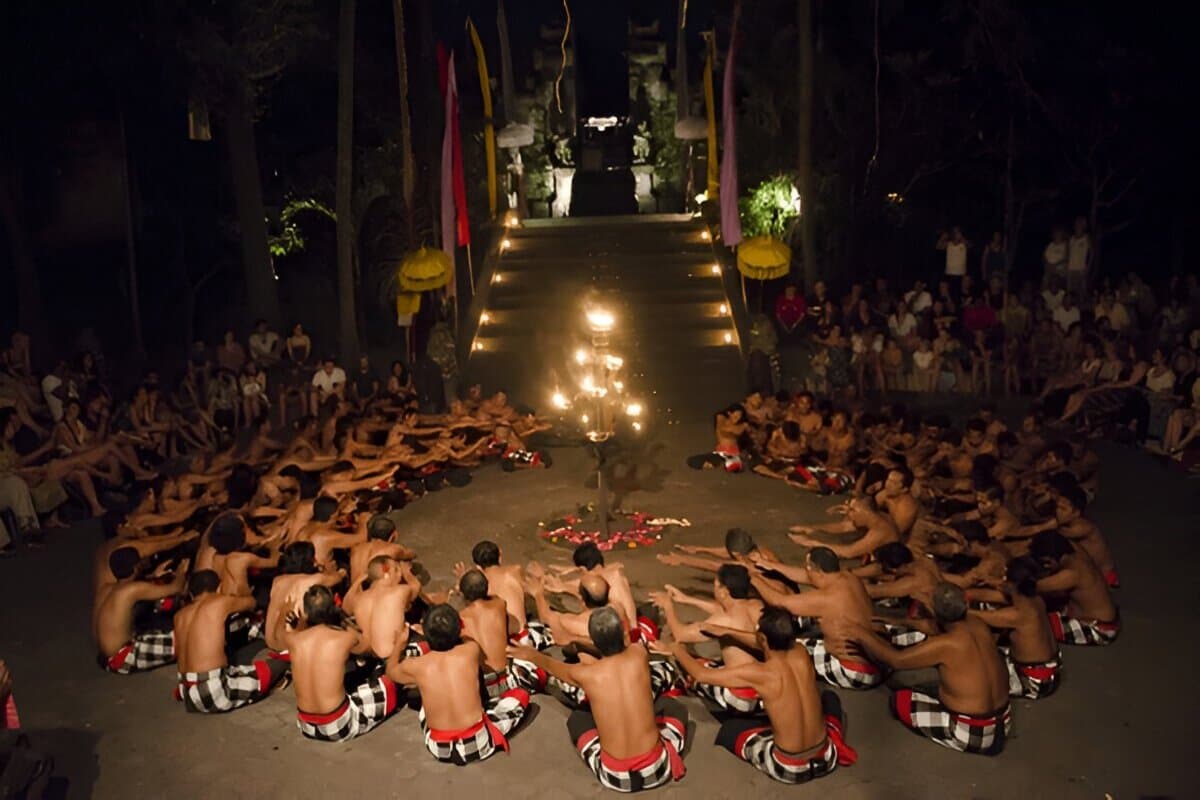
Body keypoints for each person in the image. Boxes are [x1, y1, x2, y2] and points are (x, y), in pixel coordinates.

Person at [509, 607, 689, 793]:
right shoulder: (639, 653)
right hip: (657, 769)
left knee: (578, 718)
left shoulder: (585, 674)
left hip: (615, 776)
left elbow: (550, 665)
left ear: (595, 642)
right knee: (672, 707)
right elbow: (623, 644)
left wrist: (532, 655)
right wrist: (581, 640)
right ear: (623, 634)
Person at [671, 607, 857, 784]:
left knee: (730, 729)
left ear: (763, 638)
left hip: (789, 766)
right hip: (826, 757)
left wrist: (676, 649)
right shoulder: (801, 653)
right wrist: (727, 631)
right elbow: (763, 642)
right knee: (829, 699)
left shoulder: (761, 673)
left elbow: (702, 675)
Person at [851, 583, 1013, 756]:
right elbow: (934, 627)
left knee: (901, 700)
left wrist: (861, 634)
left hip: (972, 732)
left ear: (935, 613)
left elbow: (896, 660)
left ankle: (955, 733)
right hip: (1003, 722)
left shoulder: (946, 645)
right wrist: (898, 621)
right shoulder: (978, 625)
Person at [387, 604, 529, 765]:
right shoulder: (470, 651)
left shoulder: (416, 666)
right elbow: (468, 638)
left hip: (439, 748)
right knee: (521, 695)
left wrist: (399, 644)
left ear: (425, 634)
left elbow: (391, 671)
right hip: (478, 743)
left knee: (425, 701)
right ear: (460, 626)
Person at [746, 547, 896, 690]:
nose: (807, 572)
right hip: (880, 660)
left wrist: (752, 577)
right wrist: (770, 565)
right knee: (806, 621)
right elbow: (806, 576)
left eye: (808, 568)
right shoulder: (849, 578)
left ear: (818, 572)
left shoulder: (827, 598)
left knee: (782, 646)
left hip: (859, 672)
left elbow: (780, 602)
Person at [280, 584, 401, 742]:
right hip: (338, 725)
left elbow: (287, 631)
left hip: (306, 725)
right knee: (392, 680)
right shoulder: (345, 638)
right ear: (333, 609)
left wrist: (297, 623)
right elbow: (369, 648)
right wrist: (344, 621)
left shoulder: (294, 641)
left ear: (306, 613)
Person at [648, 565, 764, 714]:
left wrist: (668, 606)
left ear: (723, 592)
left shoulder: (723, 620)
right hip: (762, 688)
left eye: (716, 585)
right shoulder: (757, 605)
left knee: (688, 664)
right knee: (710, 664)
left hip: (739, 699)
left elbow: (680, 634)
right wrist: (686, 599)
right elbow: (723, 609)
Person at [173, 570, 289, 713]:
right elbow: (251, 603)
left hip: (187, 693)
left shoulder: (179, 616)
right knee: (281, 662)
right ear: (219, 588)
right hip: (214, 693)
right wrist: (242, 594)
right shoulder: (219, 603)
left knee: (242, 669)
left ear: (191, 594)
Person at [970, 558, 1061, 700]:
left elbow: (977, 615)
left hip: (1035, 681)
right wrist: (977, 588)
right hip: (1048, 670)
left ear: (1012, 584)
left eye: (1005, 578)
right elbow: (989, 594)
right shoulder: (1035, 599)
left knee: (975, 664)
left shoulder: (1017, 614)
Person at [94, 552, 190, 674]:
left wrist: (154, 576)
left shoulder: (108, 588)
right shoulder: (132, 590)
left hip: (106, 656)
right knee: (186, 637)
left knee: (155, 610)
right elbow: (176, 588)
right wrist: (182, 570)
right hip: (122, 659)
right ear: (135, 568)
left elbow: (141, 587)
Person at [1030, 531, 1120, 646]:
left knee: (1033, 623)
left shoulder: (1071, 574)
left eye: (1047, 563)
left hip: (1099, 629)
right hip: (1094, 614)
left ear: (1053, 558)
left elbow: (1034, 587)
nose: (1046, 566)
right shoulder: (1074, 548)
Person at [1067, 216, 1091, 296]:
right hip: (1070, 269)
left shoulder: (1086, 238)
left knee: (1082, 293)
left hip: (1081, 269)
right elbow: (1068, 253)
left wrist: (1088, 267)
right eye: (1077, 224)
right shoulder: (1071, 239)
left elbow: (1092, 253)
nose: (1078, 226)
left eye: (1080, 224)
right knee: (1070, 293)